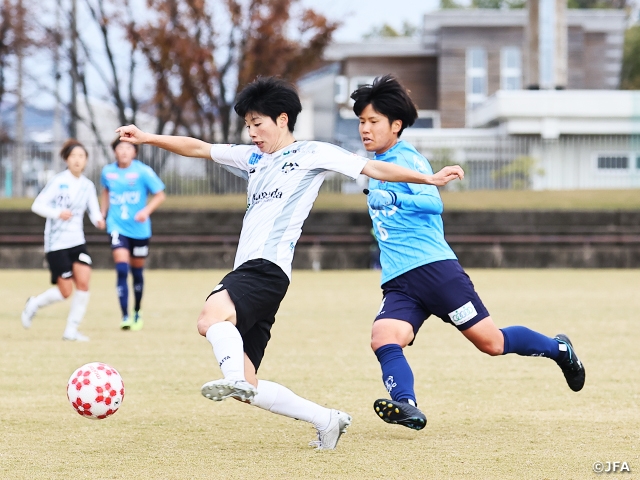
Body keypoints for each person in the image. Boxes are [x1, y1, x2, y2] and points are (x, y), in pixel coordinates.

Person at [114, 76, 464, 450]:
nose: (252, 133)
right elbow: (198, 147)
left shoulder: (312, 153)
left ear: (282, 119)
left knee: (209, 317)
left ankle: (231, 375)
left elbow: (373, 169)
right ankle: (327, 419)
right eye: (247, 126)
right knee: (247, 386)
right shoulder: (252, 159)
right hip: (260, 273)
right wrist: (148, 137)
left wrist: (427, 177)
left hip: (266, 267)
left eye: (257, 124)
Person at [351, 75, 586, 431]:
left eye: (373, 122)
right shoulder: (374, 166)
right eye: (361, 122)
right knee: (383, 337)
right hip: (399, 281)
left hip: (435, 273)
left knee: (492, 343)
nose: (365, 129)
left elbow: (433, 201)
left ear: (395, 125)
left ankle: (559, 349)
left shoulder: (406, 159)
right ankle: (407, 405)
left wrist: (396, 195)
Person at [21, 139, 105, 341]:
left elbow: (94, 212)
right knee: (65, 291)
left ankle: (71, 331)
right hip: (56, 243)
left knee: (84, 283)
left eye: (81, 156)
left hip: (77, 242)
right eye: (73, 156)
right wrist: (58, 213)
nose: (77, 160)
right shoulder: (59, 181)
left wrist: (99, 220)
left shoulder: (87, 186)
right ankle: (34, 303)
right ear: (66, 159)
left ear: (86, 161)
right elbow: (37, 205)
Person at [100, 138, 166, 331]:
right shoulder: (108, 172)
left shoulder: (143, 172)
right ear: (115, 152)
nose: (124, 151)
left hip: (139, 230)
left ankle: (137, 310)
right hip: (116, 226)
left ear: (134, 152)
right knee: (121, 269)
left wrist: (146, 211)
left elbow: (160, 194)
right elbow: (105, 191)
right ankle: (125, 316)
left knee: (137, 272)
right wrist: (103, 213)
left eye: (128, 148)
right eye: (120, 148)